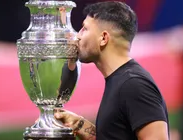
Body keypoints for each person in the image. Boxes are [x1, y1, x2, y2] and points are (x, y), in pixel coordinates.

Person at [54, 1, 170, 140]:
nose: (78, 36)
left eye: (85, 29)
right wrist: (79, 125)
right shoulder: (122, 80)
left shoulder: (134, 85)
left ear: (103, 38)